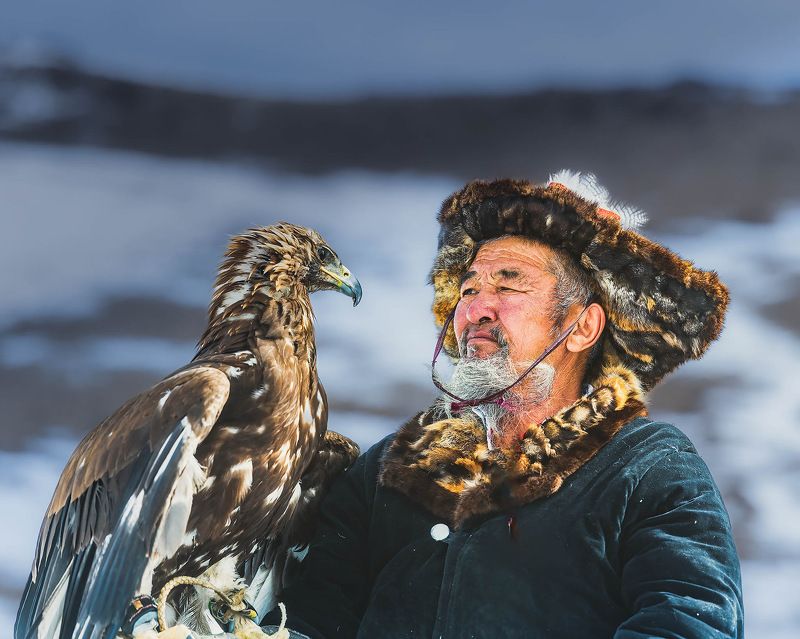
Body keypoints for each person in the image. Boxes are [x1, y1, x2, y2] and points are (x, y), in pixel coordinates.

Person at [261, 171, 744, 638]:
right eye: (469, 289)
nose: (474, 309)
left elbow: (690, 621)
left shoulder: (647, 468)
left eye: (508, 286)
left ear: (582, 328)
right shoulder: (388, 472)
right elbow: (311, 619)